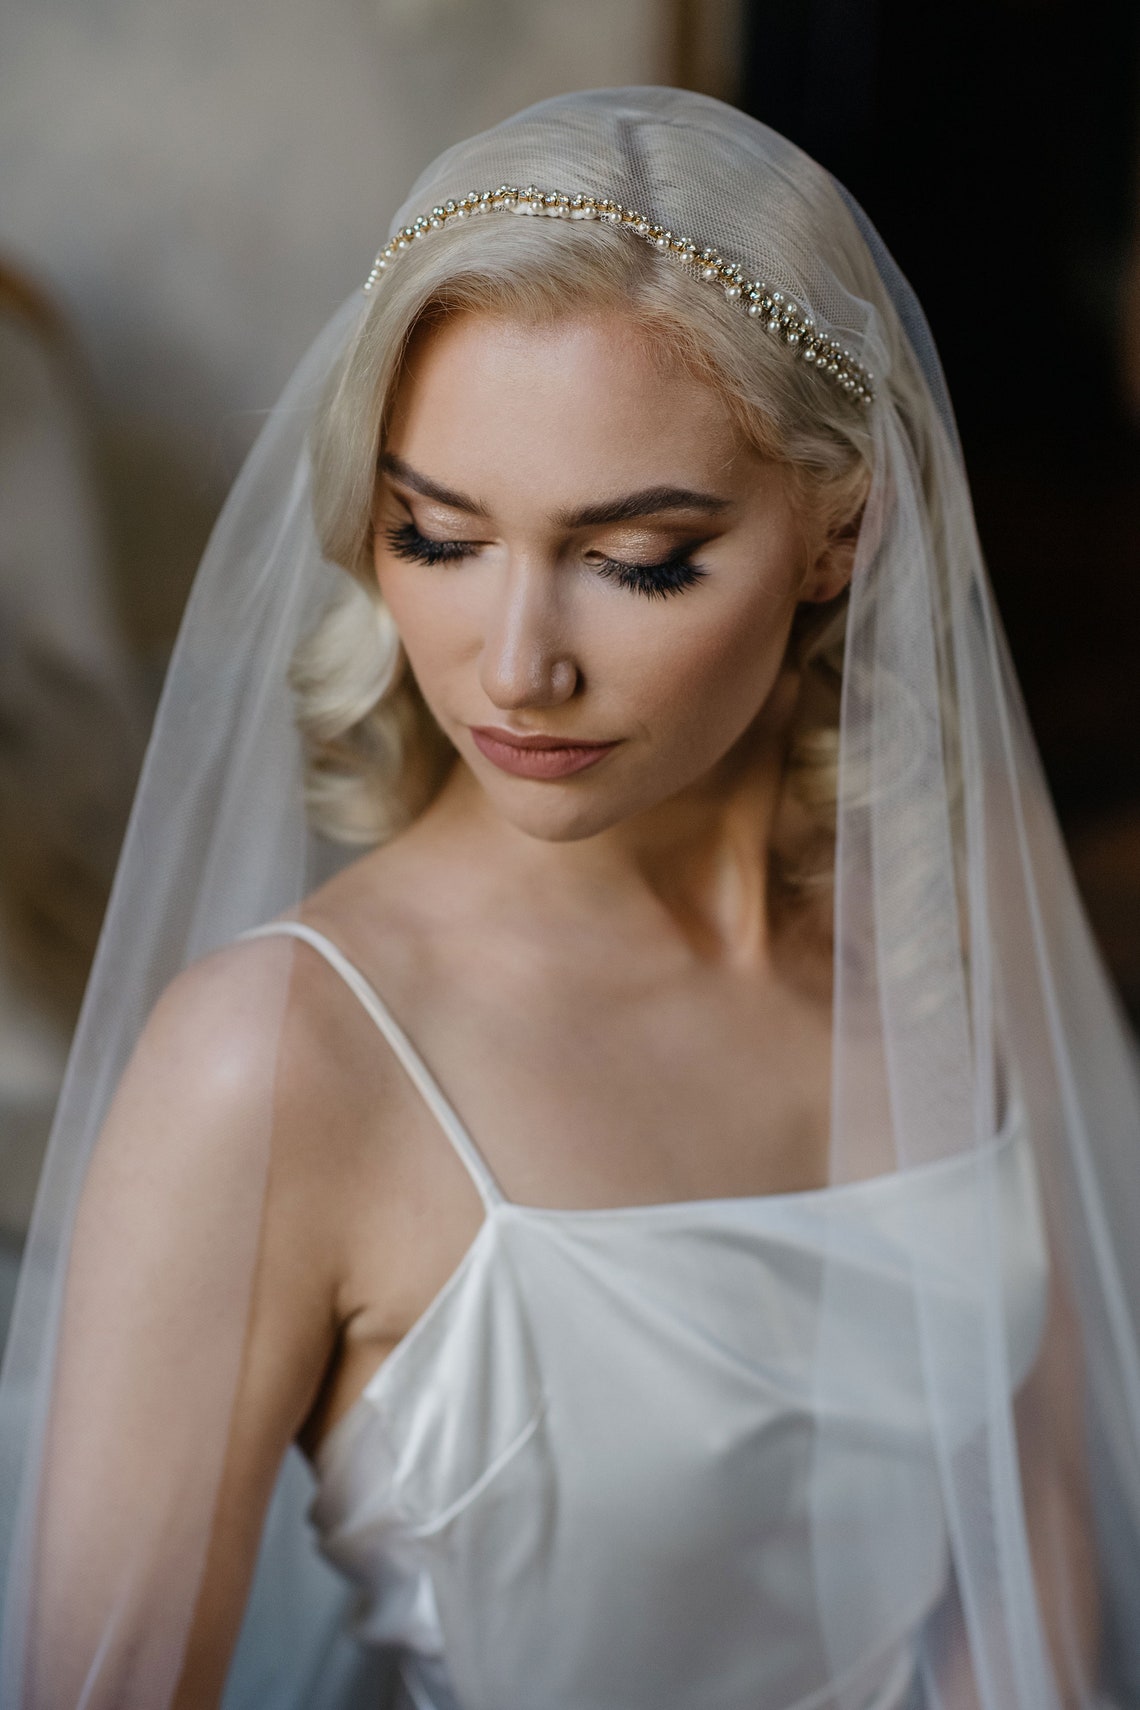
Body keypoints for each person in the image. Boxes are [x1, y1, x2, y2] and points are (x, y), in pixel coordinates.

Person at [1, 87, 1138, 1710]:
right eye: (437, 536)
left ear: (839, 532)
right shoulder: (275, 1063)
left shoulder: (951, 941)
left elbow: (1026, 1585)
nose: (517, 665)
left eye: (638, 558)